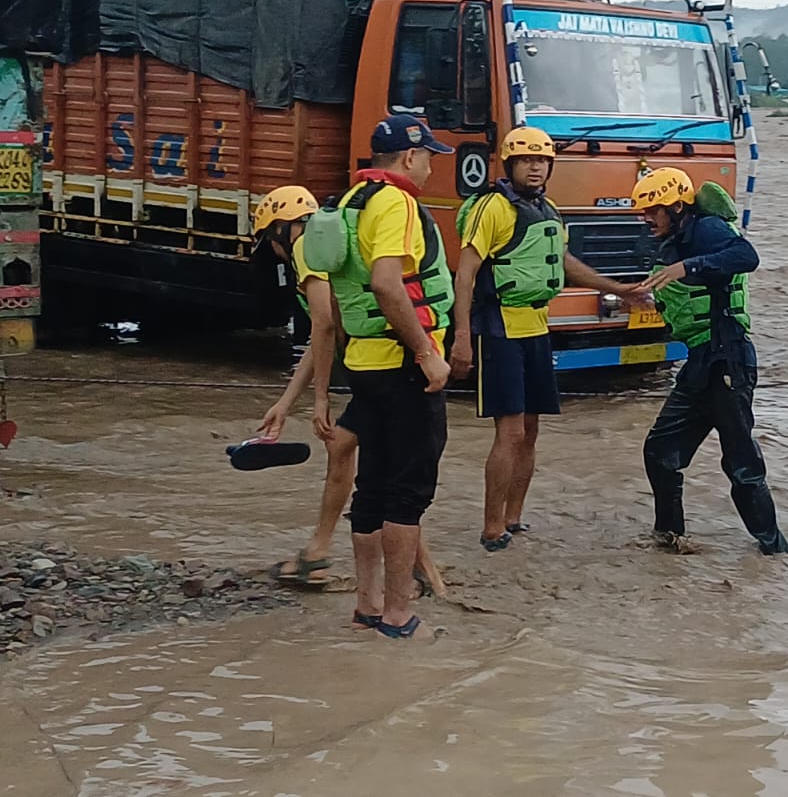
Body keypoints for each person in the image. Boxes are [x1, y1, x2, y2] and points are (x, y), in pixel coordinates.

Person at [449, 126, 639, 553]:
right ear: (510, 164)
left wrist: (619, 289)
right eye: (526, 160)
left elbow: (565, 263)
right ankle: (491, 526)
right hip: (500, 330)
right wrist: (462, 337)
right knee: (511, 431)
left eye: (541, 160)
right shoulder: (492, 208)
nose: (534, 167)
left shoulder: (549, 210)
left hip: (537, 328)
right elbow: (465, 274)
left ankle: (514, 517)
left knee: (530, 431)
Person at [251, 186, 443, 602]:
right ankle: (334, 555)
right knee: (351, 452)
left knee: (386, 471)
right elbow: (323, 334)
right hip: (372, 364)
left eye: (271, 242)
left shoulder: (307, 252)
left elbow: (323, 325)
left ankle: (357, 566)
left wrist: (319, 398)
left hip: (378, 368)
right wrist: (286, 404)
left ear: (283, 231)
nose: (276, 254)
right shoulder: (329, 242)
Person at [315, 114, 455, 640]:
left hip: (367, 365)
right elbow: (387, 285)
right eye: (428, 157)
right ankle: (399, 616)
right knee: (409, 491)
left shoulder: (352, 202)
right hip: (402, 366)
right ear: (408, 158)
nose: (430, 167)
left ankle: (368, 607)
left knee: (371, 487)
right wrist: (426, 353)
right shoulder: (395, 202)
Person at [633, 167, 788, 555]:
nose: (647, 219)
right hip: (702, 365)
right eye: (644, 212)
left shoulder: (706, 230)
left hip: (729, 362)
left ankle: (773, 551)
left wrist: (688, 267)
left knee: (740, 462)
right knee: (660, 450)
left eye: (653, 210)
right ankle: (669, 540)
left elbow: (746, 256)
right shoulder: (675, 242)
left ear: (677, 205)